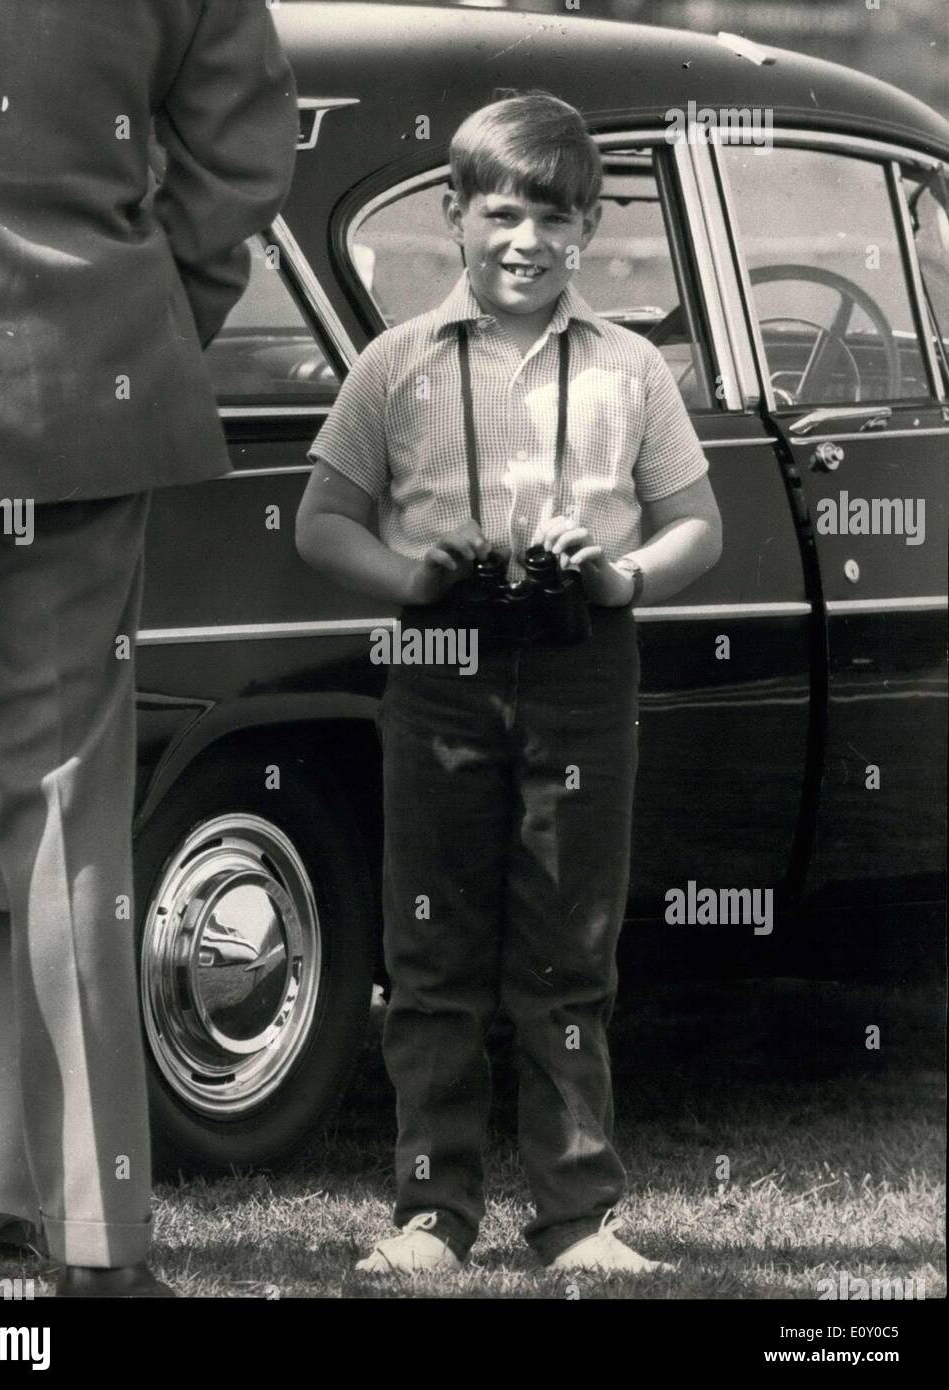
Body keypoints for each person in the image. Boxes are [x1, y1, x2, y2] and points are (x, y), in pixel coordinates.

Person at [296, 91, 722, 1275]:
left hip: (585, 660)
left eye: (556, 217)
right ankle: (432, 1212)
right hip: (440, 661)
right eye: (502, 214)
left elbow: (700, 523)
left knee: (568, 944)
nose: (527, 241)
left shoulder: (632, 367)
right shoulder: (396, 365)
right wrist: (411, 573)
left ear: (588, 226)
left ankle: (578, 1216)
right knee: (430, 943)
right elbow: (322, 522)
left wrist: (624, 575)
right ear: (452, 216)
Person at [0, 0, 298, 1296]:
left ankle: (3, 1196)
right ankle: (86, 1238)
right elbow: (242, 160)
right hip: (65, 383)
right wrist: (136, 320)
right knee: (62, 821)